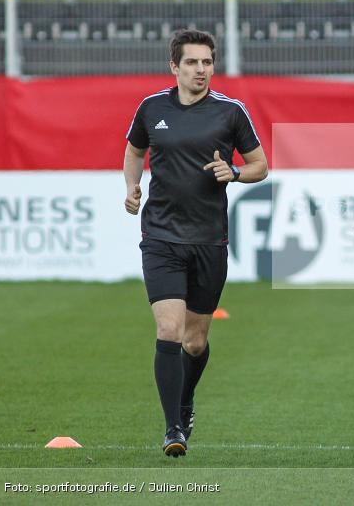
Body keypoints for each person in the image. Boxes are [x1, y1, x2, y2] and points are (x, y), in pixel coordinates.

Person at [123, 29, 268, 457]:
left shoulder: (231, 112)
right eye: (192, 62)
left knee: (195, 341)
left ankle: (185, 403)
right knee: (168, 329)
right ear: (175, 67)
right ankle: (173, 429)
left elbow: (260, 164)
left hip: (209, 239)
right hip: (162, 237)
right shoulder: (152, 108)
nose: (200, 69)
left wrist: (236, 174)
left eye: (206, 62)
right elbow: (134, 151)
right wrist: (133, 187)